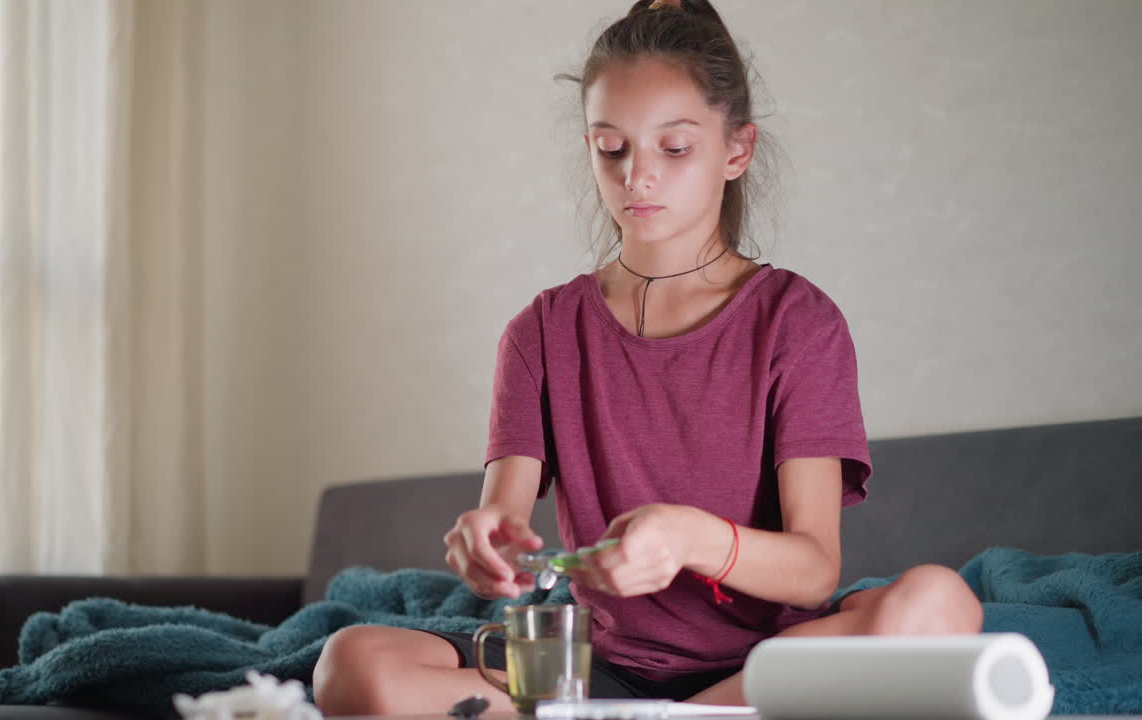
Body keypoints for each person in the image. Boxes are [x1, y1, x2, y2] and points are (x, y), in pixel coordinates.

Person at [312, 0, 983, 714]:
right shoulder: (540, 331)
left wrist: (693, 537)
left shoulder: (797, 322)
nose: (637, 176)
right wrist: (487, 551)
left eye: (674, 147)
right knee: (351, 665)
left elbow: (816, 570)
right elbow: (502, 524)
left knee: (940, 603)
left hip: (769, 666)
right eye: (611, 148)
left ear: (736, 150)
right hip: (595, 669)